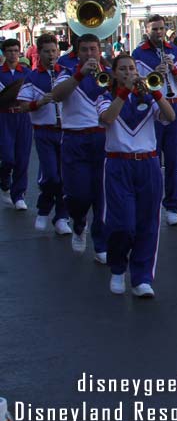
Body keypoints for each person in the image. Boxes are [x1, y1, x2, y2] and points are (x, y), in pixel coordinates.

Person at [97, 53, 175, 296]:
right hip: (119, 165)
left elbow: (170, 117)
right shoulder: (104, 97)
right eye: (123, 69)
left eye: (131, 68)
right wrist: (124, 92)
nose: (129, 72)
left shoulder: (148, 97)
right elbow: (106, 118)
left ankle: (142, 277)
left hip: (148, 163)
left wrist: (155, 92)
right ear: (114, 73)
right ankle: (119, 268)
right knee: (122, 224)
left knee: (148, 223)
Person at [50, 34, 111, 261]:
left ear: (99, 50)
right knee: (77, 194)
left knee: (101, 194)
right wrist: (80, 74)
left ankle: (101, 244)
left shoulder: (109, 73)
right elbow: (56, 95)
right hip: (74, 140)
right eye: (84, 50)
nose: (89, 54)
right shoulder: (65, 73)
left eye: (93, 49)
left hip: (102, 138)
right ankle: (78, 222)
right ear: (78, 52)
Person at [132, 15, 177, 225]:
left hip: (174, 105)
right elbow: (134, 82)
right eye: (154, 29)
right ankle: (153, 201)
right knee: (153, 158)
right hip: (153, 107)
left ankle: (172, 206)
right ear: (146, 30)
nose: (159, 32)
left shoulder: (174, 50)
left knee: (174, 159)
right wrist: (153, 74)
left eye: (161, 28)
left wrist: (172, 68)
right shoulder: (138, 54)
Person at [17, 34, 70, 233]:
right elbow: (22, 107)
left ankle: (62, 218)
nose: (51, 55)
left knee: (65, 177)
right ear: (39, 53)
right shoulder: (32, 77)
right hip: (44, 132)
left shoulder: (66, 73)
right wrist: (39, 102)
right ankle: (43, 209)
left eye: (54, 51)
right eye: (46, 52)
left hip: (66, 131)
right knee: (51, 176)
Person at [0, 39, 31, 211]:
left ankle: (19, 194)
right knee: (8, 157)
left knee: (22, 158)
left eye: (15, 50)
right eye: (9, 51)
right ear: (4, 53)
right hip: (4, 118)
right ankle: (4, 179)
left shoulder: (26, 73)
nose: (13, 54)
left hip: (22, 117)